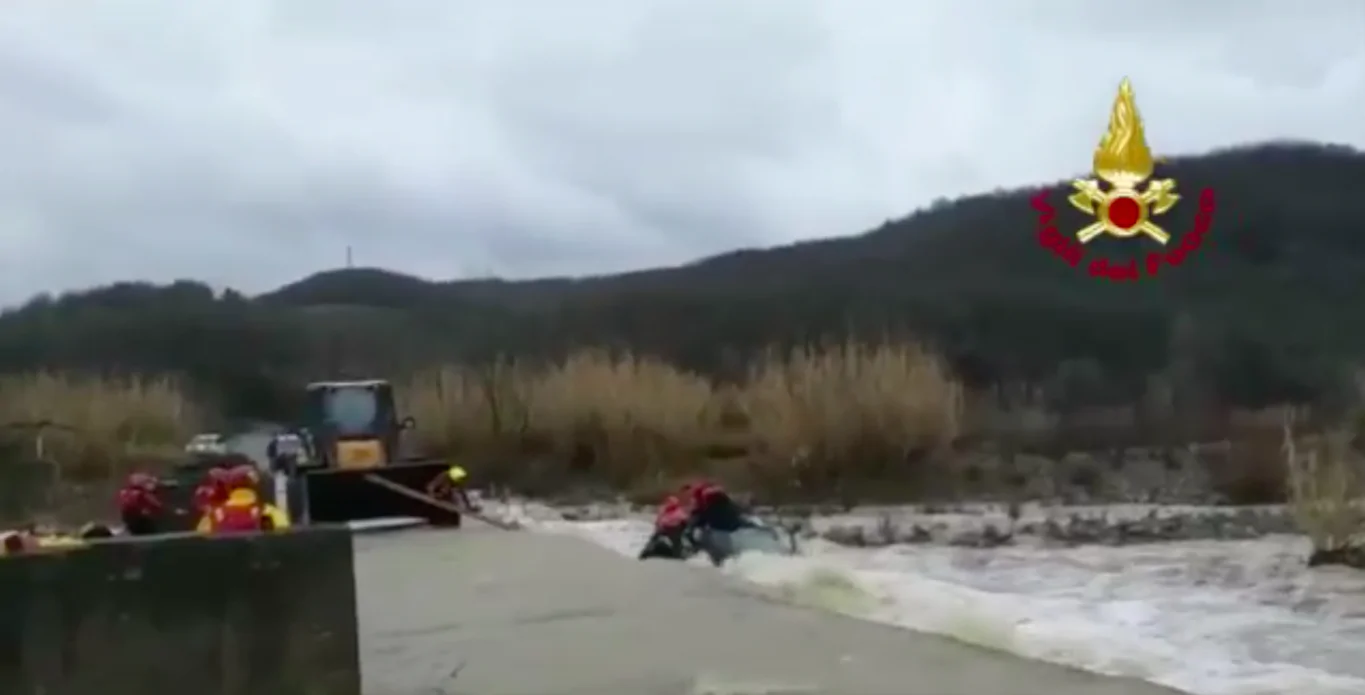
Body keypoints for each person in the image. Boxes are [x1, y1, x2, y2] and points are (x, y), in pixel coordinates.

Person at [197, 465, 289, 534]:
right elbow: (285, 540)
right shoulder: (271, 512)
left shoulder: (213, 515)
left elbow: (199, 544)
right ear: (256, 486)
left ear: (229, 488)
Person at [638, 494, 692, 560]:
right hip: (664, 529)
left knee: (676, 542)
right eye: (668, 502)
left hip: (673, 529)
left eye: (671, 502)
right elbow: (659, 520)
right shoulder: (664, 509)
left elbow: (685, 520)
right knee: (653, 541)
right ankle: (644, 555)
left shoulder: (678, 511)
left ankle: (678, 555)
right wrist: (658, 527)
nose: (669, 504)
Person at [117, 472, 163, 536]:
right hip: (140, 521)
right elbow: (156, 505)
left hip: (128, 518)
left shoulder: (123, 491)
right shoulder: (142, 493)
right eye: (148, 482)